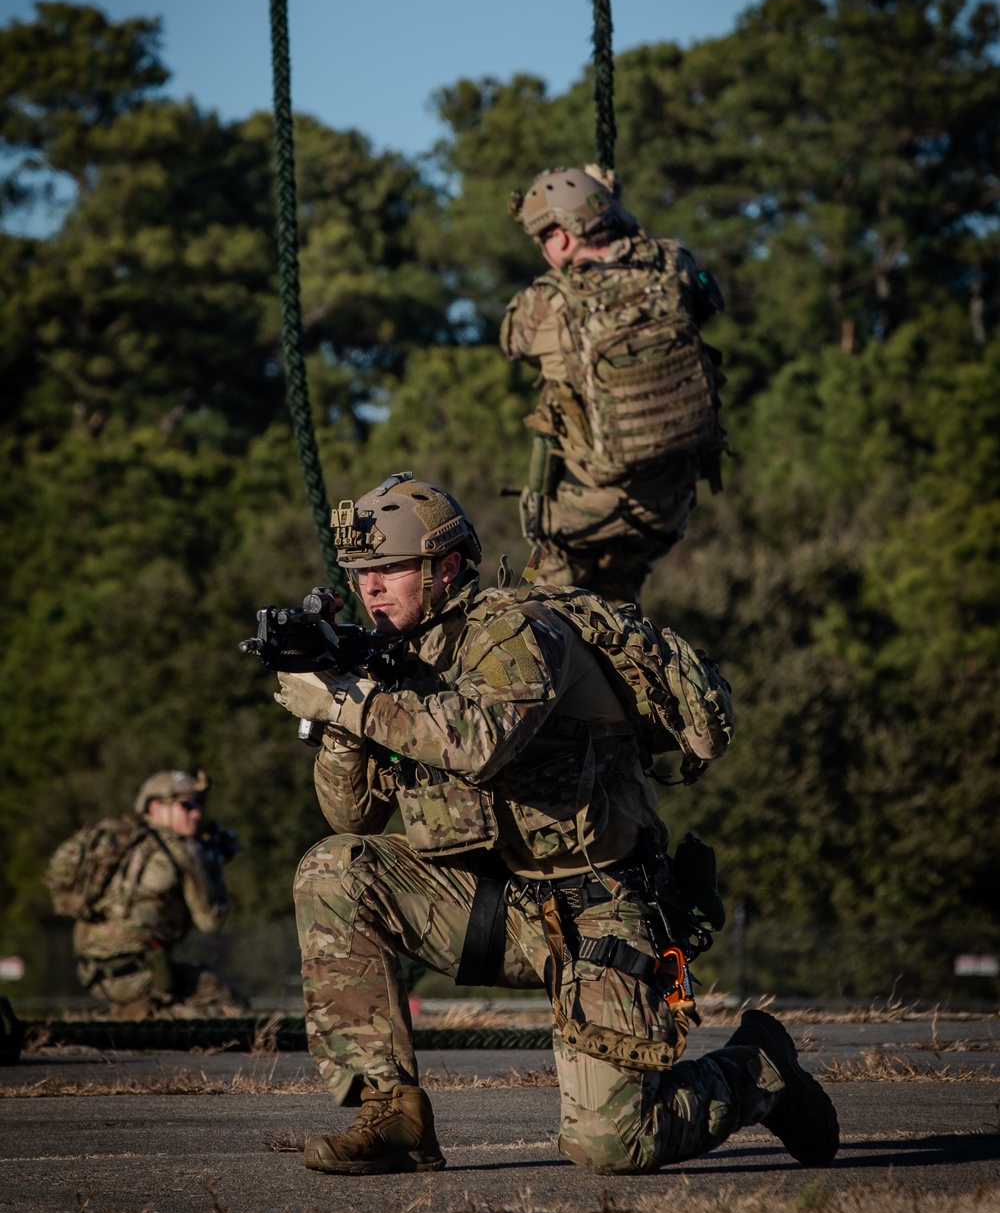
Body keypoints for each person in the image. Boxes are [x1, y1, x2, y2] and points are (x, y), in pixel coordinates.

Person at [274, 472, 838, 1176]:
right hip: (505, 908)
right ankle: (394, 1113)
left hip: (603, 915)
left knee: (613, 1145)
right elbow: (352, 813)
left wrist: (352, 704)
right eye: (361, 573)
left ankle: (760, 1072)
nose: (371, 588)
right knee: (336, 869)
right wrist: (338, 718)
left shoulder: (516, 630)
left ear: (446, 569)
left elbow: (478, 741)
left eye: (389, 568)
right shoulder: (397, 663)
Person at [501, 165, 726, 607]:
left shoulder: (547, 301)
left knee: (527, 613)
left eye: (543, 239)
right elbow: (702, 299)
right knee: (618, 617)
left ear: (561, 238)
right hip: (667, 507)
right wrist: (612, 205)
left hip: (582, 515)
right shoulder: (672, 264)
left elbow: (513, 339)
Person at [45, 769, 249, 1020]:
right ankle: (105, 1022)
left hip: (92, 972)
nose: (196, 813)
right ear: (155, 807)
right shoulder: (180, 850)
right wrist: (213, 865)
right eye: (187, 805)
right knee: (230, 1008)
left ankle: (123, 1015)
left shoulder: (121, 843)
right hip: (142, 973)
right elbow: (211, 921)